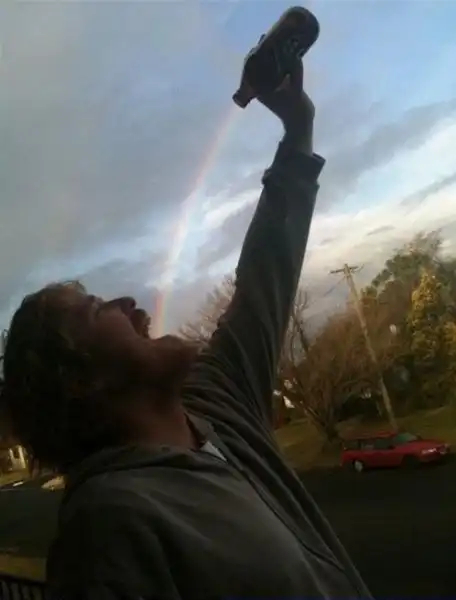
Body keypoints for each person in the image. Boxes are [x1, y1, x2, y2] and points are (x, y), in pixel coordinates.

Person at [0, 57, 372, 599]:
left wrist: (297, 127)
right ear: (81, 380)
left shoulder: (219, 403)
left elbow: (265, 275)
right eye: (97, 308)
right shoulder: (109, 532)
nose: (130, 303)